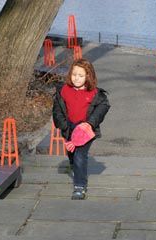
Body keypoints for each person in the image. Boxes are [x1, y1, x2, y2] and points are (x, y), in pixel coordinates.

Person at [52, 58, 110, 200]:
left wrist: (90, 123)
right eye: (74, 75)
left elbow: (102, 107)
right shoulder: (64, 90)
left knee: (80, 155)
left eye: (81, 75)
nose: (77, 78)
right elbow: (57, 109)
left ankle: (80, 186)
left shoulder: (95, 94)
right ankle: (75, 166)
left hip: (85, 129)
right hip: (69, 126)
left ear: (88, 76)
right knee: (72, 153)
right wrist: (63, 124)